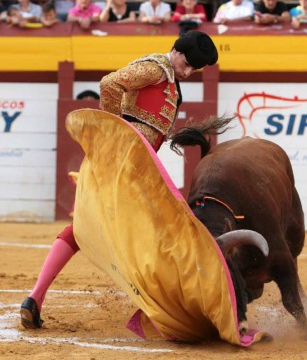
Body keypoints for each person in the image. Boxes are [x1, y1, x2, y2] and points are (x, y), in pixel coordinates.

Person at [20, 30, 218, 329]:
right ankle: (161, 311)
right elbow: (109, 84)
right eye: (188, 65)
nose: (189, 72)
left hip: (134, 168)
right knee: (156, 233)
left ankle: (35, 298)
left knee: (85, 227)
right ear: (176, 52)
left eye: (194, 69)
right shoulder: (155, 68)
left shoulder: (170, 81)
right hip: (123, 162)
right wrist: (112, 134)